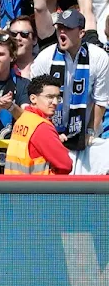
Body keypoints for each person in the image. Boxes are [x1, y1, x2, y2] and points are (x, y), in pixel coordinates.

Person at [30, 9, 109, 174]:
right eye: (59, 28)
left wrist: (89, 132)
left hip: (85, 138)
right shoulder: (44, 58)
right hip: (51, 137)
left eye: (68, 28)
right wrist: (49, 134)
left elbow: (100, 100)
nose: (62, 32)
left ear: (81, 33)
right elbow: (36, 101)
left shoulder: (99, 58)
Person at [5, 77, 75, 174]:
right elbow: (66, 165)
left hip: (15, 185)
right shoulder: (41, 126)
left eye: (58, 97)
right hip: (39, 187)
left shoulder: (23, 119)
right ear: (33, 98)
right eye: (50, 97)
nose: (55, 102)